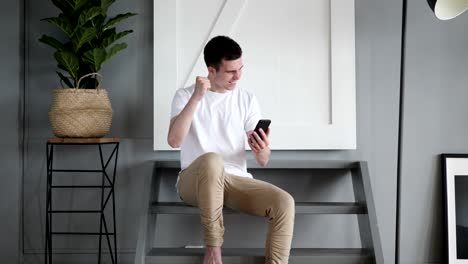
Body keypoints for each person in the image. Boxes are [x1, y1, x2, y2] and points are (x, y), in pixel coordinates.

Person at [167, 35, 295, 264]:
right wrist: (197, 97)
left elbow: (264, 160)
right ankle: (213, 250)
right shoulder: (185, 96)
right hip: (194, 181)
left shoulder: (247, 99)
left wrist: (261, 149)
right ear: (211, 70)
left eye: (240, 69)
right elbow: (175, 141)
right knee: (213, 161)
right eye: (230, 72)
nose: (238, 77)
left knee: (284, 203)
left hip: (233, 180)